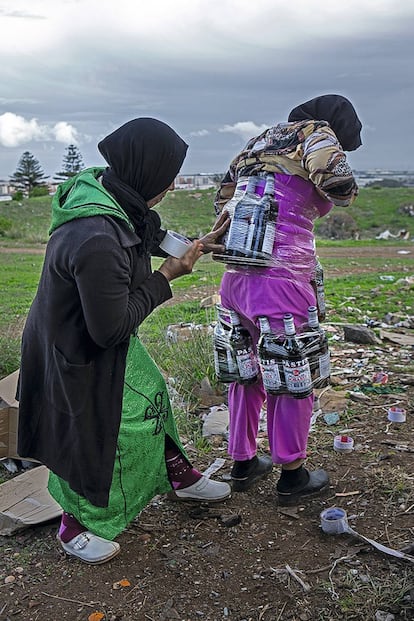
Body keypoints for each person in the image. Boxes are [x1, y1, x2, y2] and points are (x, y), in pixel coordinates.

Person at [16, 118, 231, 564]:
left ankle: (178, 474)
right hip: (74, 347)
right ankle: (73, 526)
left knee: (150, 396)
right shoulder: (96, 237)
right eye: (168, 173)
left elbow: (144, 236)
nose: (172, 185)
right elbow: (110, 329)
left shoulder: (112, 196)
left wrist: (196, 245)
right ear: (145, 170)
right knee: (96, 431)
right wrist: (168, 276)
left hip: (96, 336)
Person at [214, 94, 362, 505]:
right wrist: (345, 189)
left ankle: (244, 462)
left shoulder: (258, 143)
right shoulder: (316, 133)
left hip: (236, 278)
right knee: (291, 373)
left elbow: (223, 200)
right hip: (282, 279)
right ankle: (292, 474)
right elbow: (333, 177)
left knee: (245, 371)